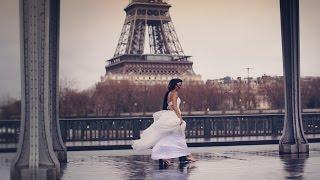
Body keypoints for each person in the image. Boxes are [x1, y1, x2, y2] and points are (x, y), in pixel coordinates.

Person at [132, 78, 196, 166]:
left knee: (169, 137)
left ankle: (169, 156)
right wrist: (180, 117)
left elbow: (169, 105)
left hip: (169, 115)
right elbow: (174, 106)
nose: (180, 87)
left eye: (181, 85)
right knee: (178, 136)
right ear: (174, 85)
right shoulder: (174, 93)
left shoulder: (169, 93)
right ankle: (186, 155)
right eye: (179, 85)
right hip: (173, 116)